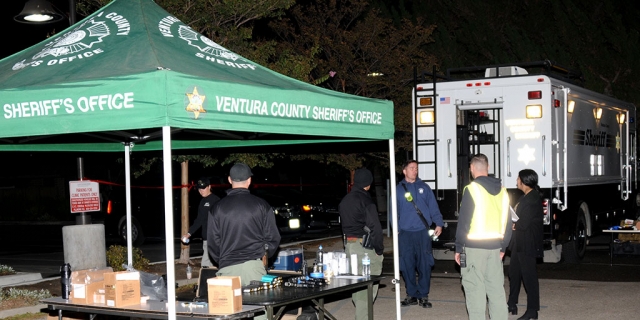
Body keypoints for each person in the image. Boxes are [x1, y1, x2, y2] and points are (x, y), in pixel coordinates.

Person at [454, 154, 512, 320]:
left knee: (475, 290)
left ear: (472, 169)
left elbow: (464, 222)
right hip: (495, 249)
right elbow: (508, 222)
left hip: (474, 248)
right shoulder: (502, 191)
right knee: (496, 290)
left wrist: (458, 247)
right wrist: (503, 247)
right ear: (488, 167)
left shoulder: (472, 189)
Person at [208, 163, 281, 287]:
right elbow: (273, 238)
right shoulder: (262, 205)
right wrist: (263, 255)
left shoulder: (216, 208)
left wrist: (222, 260)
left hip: (227, 269)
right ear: (249, 180)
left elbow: (213, 243)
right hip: (254, 269)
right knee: (257, 305)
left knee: (230, 306)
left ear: (229, 180)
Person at [396, 160, 444, 308]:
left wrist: (439, 223)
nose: (414, 171)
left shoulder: (424, 187)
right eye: (411, 168)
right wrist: (396, 228)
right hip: (405, 233)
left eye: (416, 168)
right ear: (404, 171)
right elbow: (394, 211)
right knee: (407, 265)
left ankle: (423, 295)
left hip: (422, 232)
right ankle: (411, 294)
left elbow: (433, 207)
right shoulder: (398, 189)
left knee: (425, 264)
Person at [338, 168, 384, 320]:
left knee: (357, 287)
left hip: (350, 247)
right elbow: (375, 228)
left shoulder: (345, 201)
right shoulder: (366, 201)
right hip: (365, 249)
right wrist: (379, 249)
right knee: (367, 290)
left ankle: (361, 315)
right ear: (368, 184)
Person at [507, 169, 543, 320]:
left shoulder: (532, 198)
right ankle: (512, 302)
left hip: (528, 242)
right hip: (519, 242)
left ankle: (532, 310)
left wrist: (514, 224)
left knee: (529, 277)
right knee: (514, 273)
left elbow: (524, 223)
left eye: (518, 178)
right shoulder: (525, 197)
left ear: (525, 181)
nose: (516, 181)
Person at [182, 177, 220, 268]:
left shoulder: (216, 200)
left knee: (206, 265)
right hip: (206, 238)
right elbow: (199, 219)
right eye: (199, 188)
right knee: (211, 265)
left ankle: (206, 281)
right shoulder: (202, 201)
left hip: (215, 238)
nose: (201, 191)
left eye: (203, 188)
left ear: (209, 187)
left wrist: (189, 233)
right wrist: (189, 233)